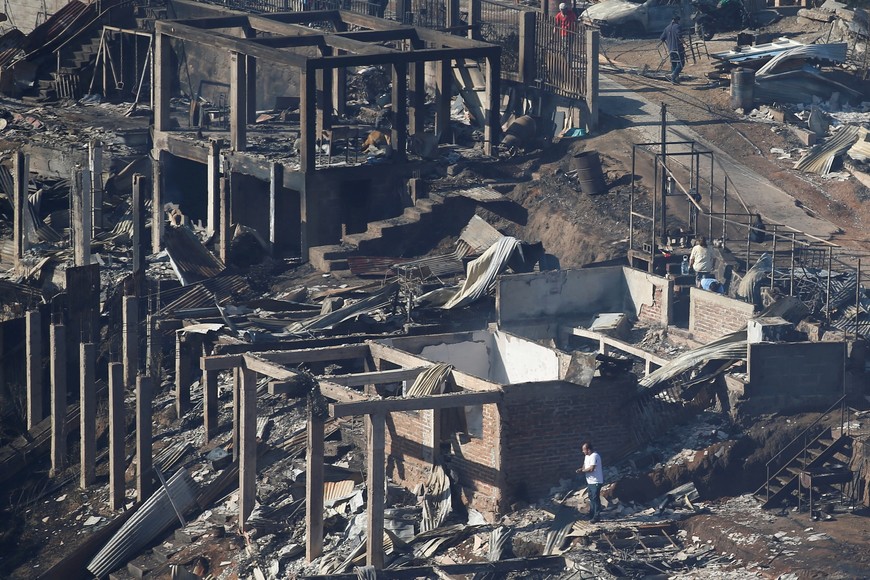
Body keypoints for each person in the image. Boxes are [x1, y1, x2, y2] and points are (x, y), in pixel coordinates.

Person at [577, 441, 604, 523]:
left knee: (595, 498)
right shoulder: (587, 456)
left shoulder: (594, 456)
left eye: (584, 450)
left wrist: (583, 471)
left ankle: (597, 516)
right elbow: (585, 465)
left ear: (588, 449)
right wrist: (581, 469)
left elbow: (592, 468)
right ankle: (592, 514)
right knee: (591, 497)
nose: (583, 451)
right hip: (590, 481)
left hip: (596, 481)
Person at [659, 15, 685, 84]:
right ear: (677, 20)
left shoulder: (667, 28)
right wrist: (685, 43)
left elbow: (662, 38)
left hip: (671, 49)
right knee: (681, 63)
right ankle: (674, 74)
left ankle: (674, 80)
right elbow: (679, 36)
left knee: (674, 63)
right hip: (678, 48)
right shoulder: (677, 27)